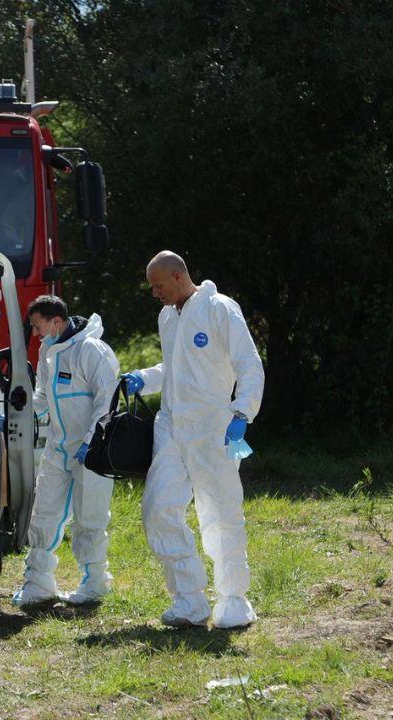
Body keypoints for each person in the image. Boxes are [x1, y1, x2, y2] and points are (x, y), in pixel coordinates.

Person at [121, 251, 265, 629]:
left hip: (212, 428)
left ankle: (233, 600)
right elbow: (175, 366)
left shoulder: (220, 308)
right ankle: (189, 600)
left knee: (221, 514)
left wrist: (241, 412)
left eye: (158, 285)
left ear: (177, 276)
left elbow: (248, 362)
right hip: (171, 428)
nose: (154, 293)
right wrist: (145, 378)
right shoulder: (167, 316)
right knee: (158, 509)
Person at [12, 295, 120, 608]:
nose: (35, 334)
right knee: (43, 515)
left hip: (91, 451)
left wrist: (91, 441)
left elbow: (107, 399)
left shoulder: (91, 350)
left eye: (37, 326)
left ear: (55, 321)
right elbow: (44, 396)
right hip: (58, 449)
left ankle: (96, 582)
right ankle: (38, 584)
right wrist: (22, 413)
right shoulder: (49, 350)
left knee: (90, 519)